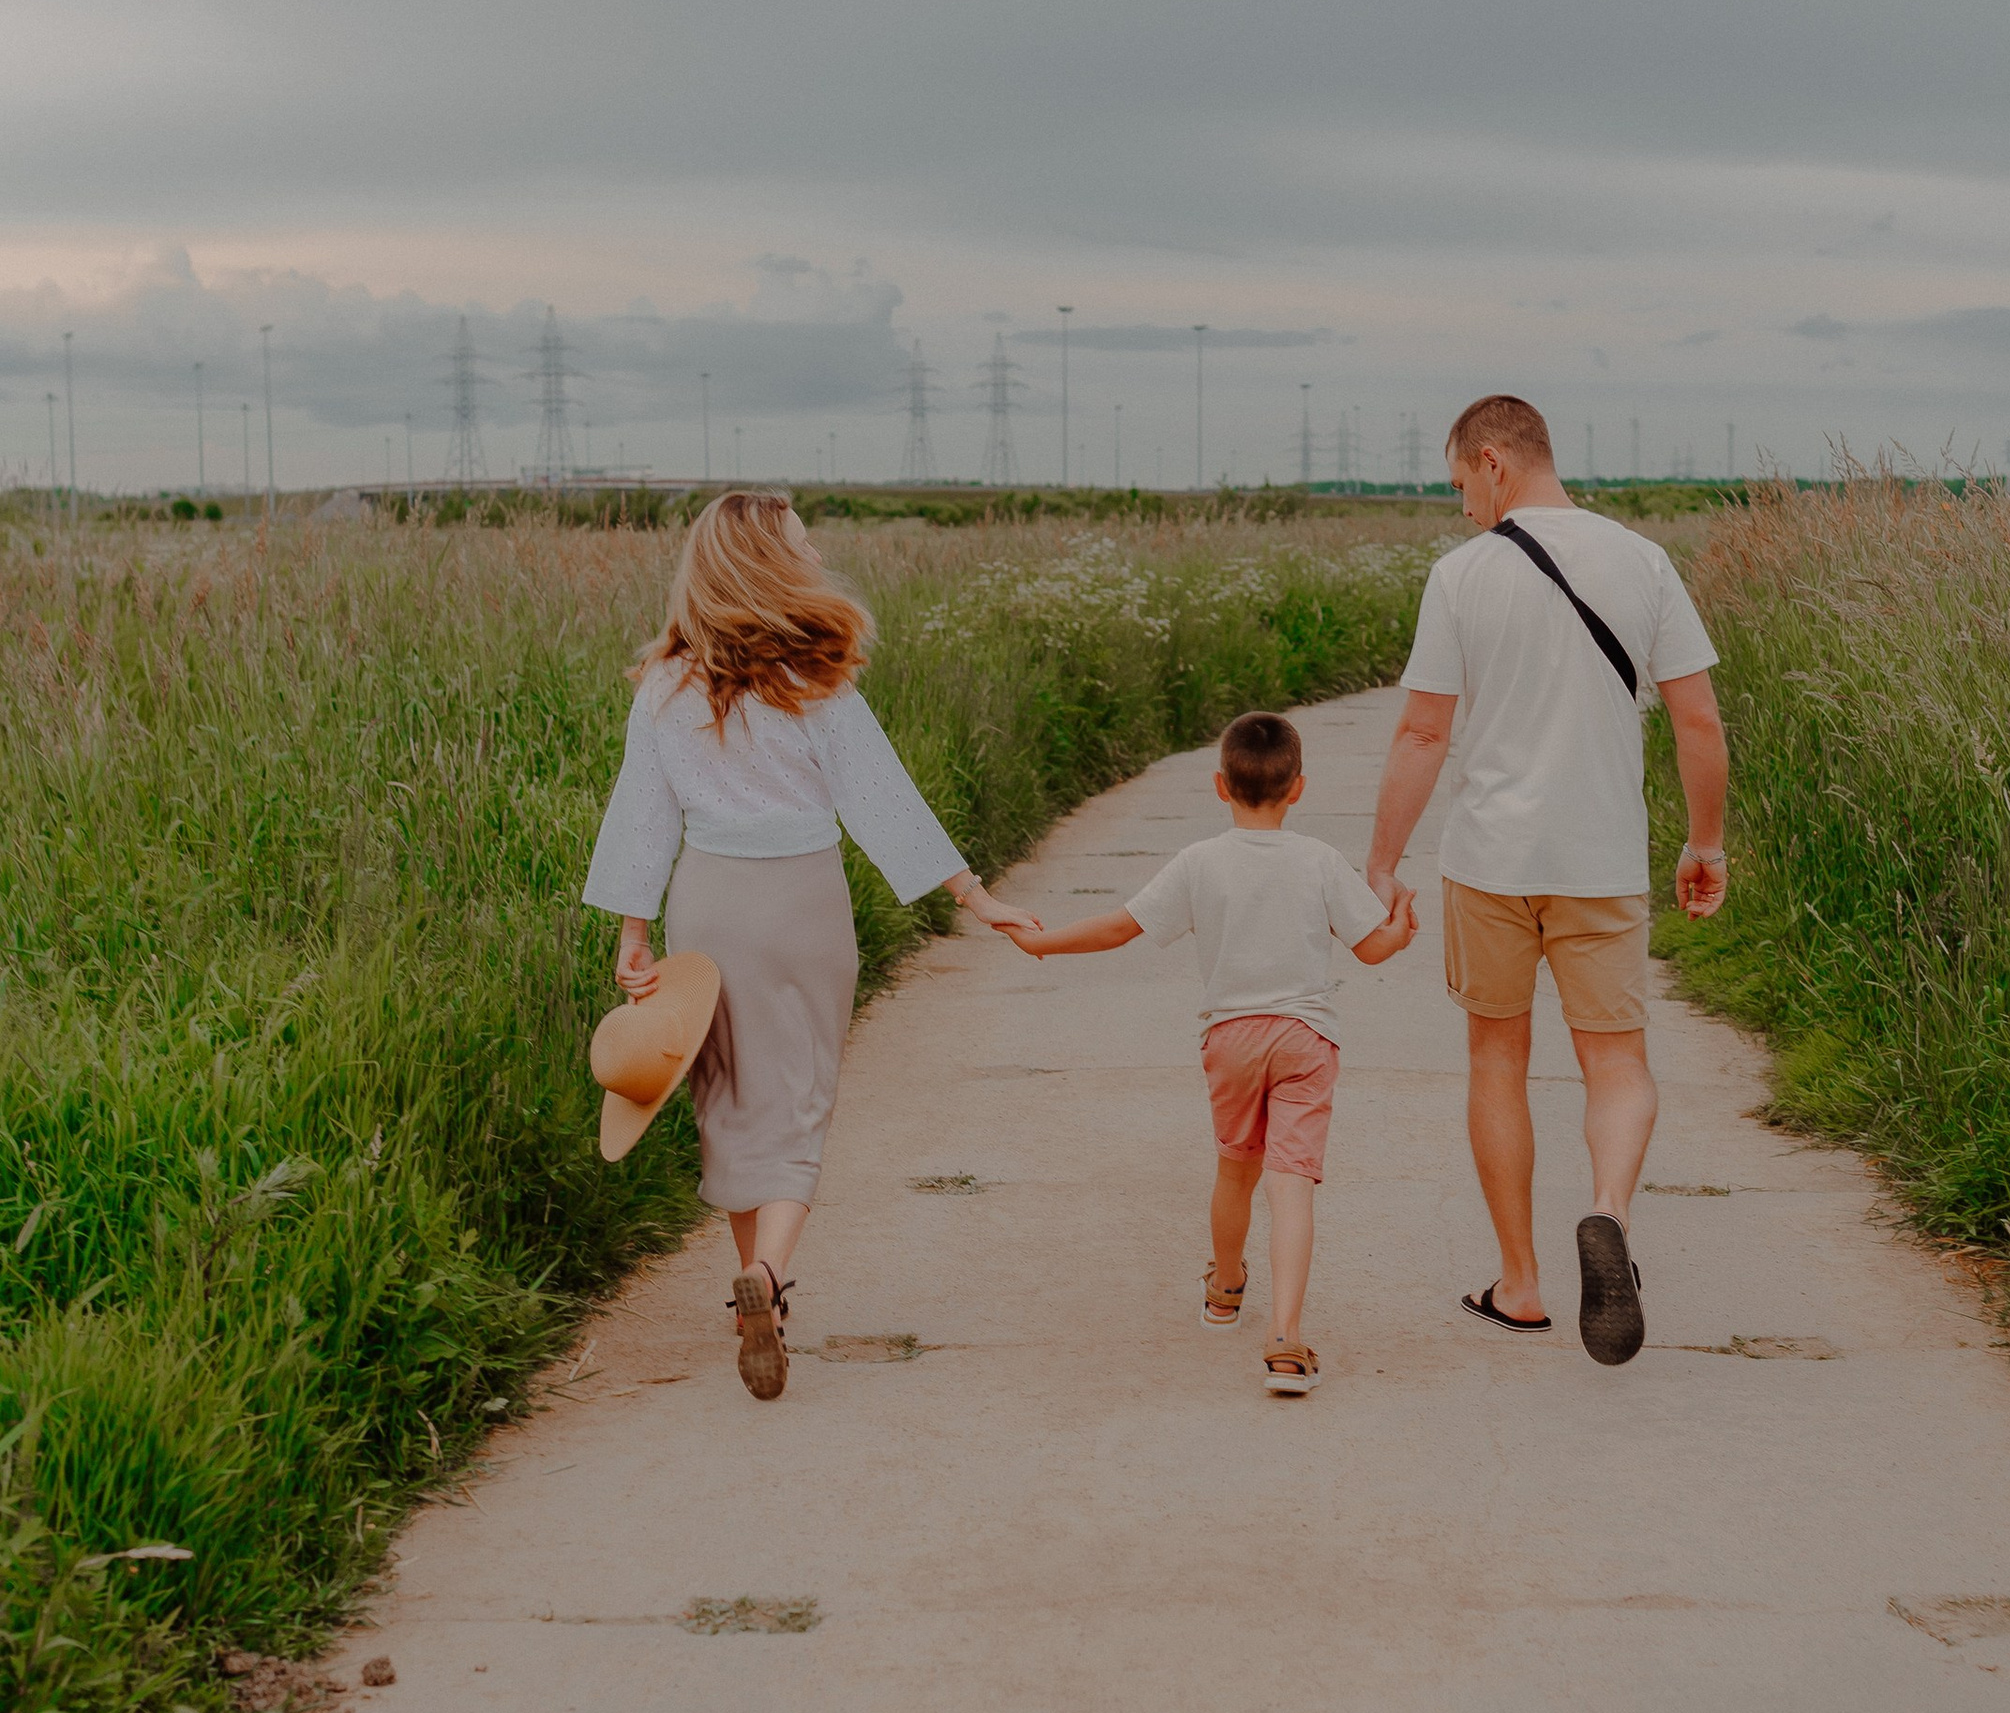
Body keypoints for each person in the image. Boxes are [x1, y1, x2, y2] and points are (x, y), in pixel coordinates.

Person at [582, 490, 1026, 1401]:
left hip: (705, 903)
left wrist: (633, 929)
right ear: (769, 564)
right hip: (802, 902)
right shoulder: (816, 681)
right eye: (800, 539)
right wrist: (974, 895)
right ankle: (772, 1278)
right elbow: (882, 801)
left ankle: (762, 1302)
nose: (815, 547)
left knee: (733, 1096)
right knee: (802, 1089)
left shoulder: (663, 688)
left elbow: (642, 816)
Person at [1363, 393, 1729, 1365]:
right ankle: (1605, 1211)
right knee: (1617, 1064)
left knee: (1496, 1060)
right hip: (1599, 859)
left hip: (1490, 861)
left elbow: (1423, 731)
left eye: (1459, 486)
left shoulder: (1462, 575)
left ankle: (1520, 1285)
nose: (1462, 508)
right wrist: (1705, 844)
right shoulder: (1642, 560)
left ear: (1494, 461)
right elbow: (1697, 720)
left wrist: (1382, 863)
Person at [995, 709, 1417, 1394]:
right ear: (1299, 788)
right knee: (1291, 1185)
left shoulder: (1199, 862)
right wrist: (1399, 928)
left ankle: (1225, 1289)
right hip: (1305, 1039)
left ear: (1220, 786)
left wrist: (1042, 942)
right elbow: (1371, 947)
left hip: (1232, 1040)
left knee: (1235, 1172)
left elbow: (1118, 929)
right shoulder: (1318, 860)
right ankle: (1285, 1338)